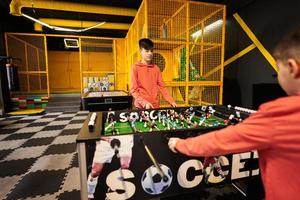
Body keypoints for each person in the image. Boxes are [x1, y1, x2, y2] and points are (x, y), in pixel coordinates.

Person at [168, 28, 300, 200]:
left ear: (292, 67)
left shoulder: (280, 113)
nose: (278, 76)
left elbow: (219, 141)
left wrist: (180, 143)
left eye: (278, 70)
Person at [131, 38, 177, 109]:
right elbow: (134, 90)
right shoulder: (135, 68)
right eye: (147, 51)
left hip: (155, 106)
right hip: (141, 107)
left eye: (151, 51)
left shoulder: (156, 68)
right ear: (141, 51)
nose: (150, 53)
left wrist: (171, 101)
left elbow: (162, 87)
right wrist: (144, 103)